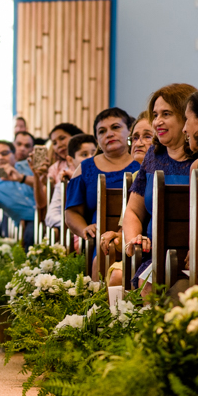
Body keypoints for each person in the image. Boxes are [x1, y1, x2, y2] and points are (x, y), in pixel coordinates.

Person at [121, 83, 198, 290]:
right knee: (148, 284)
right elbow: (133, 211)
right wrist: (134, 239)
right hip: (156, 254)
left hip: (194, 254)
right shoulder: (154, 156)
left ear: (186, 116)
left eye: (166, 114)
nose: (157, 122)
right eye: (155, 115)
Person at [64, 108, 142, 284]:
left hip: (137, 238)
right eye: (102, 131)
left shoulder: (142, 163)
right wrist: (84, 228)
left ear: (129, 130)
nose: (109, 134)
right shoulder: (85, 168)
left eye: (115, 127)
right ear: (97, 139)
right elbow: (71, 212)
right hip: (101, 243)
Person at [30, 122, 84, 223]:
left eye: (62, 138)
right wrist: (36, 175)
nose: (59, 145)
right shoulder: (54, 168)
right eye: (54, 143)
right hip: (63, 219)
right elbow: (41, 203)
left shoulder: (87, 161)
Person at [46, 133, 97, 230]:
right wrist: (77, 224)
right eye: (84, 154)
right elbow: (51, 216)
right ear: (70, 160)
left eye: (94, 154)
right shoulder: (66, 183)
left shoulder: (105, 179)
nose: (90, 158)